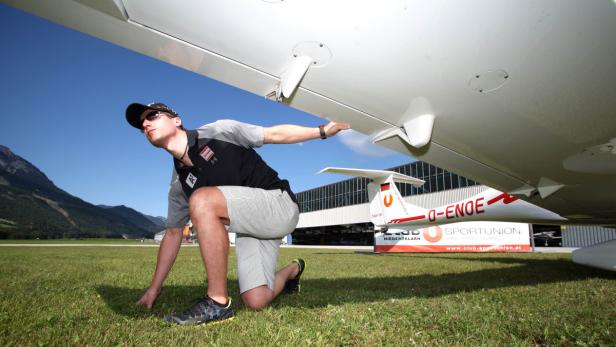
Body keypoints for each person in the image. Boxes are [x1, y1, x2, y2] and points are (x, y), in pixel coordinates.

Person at [127, 102, 350, 325]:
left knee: (202, 200)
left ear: (176, 120)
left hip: (279, 204)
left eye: (153, 116)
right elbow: (173, 235)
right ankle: (294, 269)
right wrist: (154, 289)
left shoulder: (219, 131)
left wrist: (322, 131)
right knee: (256, 300)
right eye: (141, 125)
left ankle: (217, 302)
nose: (145, 124)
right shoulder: (179, 185)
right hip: (251, 226)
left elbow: (273, 133)